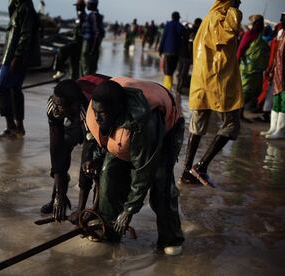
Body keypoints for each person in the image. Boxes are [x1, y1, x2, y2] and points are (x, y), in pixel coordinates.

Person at [83, 78, 185, 255]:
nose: (97, 117)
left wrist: (128, 211)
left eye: (102, 114)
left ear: (116, 110)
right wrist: (94, 159)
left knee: (161, 185)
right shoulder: (98, 109)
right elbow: (97, 140)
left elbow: (143, 171)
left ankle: (171, 237)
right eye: (95, 112)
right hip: (123, 133)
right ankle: (109, 228)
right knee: (108, 174)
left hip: (166, 132)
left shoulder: (144, 123)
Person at [179, 0, 243, 187]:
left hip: (202, 82)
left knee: (197, 126)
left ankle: (186, 171)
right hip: (217, 82)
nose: (239, 2)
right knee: (231, 125)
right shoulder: (220, 18)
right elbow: (230, 32)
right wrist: (234, 11)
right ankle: (201, 167)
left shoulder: (208, 18)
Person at [41, 75, 111, 221]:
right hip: (77, 111)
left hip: (101, 111)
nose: (55, 109)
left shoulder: (89, 112)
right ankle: (57, 196)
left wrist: (80, 211)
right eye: (54, 102)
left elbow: (88, 154)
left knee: (90, 164)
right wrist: (59, 194)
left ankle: (83, 207)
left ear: (72, 105)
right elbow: (56, 148)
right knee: (62, 147)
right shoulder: (53, 105)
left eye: (59, 106)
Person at [0, 0, 40, 140]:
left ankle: (11, 127)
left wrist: (18, 56)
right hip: (14, 56)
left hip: (14, 57)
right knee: (14, 89)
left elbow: (26, 34)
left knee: (0, 87)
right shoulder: (19, 7)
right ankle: (19, 127)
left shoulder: (25, 8)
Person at [237, 15, 269, 115]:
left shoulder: (253, 34)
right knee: (246, 91)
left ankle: (240, 113)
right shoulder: (255, 35)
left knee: (247, 91)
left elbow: (241, 49)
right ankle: (239, 113)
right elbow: (241, 49)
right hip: (251, 70)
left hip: (251, 69)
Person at [262, 14, 285, 139]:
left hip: (283, 74)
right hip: (278, 73)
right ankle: (273, 129)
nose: (281, 21)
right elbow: (276, 55)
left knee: (283, 102)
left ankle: (280, 130)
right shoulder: (281, 34)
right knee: (276, 101)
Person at [52, 0, 86, 80]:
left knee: (62, 50)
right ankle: (74, 80)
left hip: (78, 43)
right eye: (76, 6)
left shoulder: (83, 16)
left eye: (78, 6)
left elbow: (81, 32)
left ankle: (60, 71)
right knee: (74, 64)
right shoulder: (79, 16)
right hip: (76, 42)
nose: (76, 8)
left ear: (82, 7)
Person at [159, 11, 185, 91]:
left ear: (172, 17)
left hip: (168, 51)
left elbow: (163, 37)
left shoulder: (168, 25)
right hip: (177, 52)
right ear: (178, 18)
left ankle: (167, 88)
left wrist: (160, 49)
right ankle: (169, 87)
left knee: (167, 71)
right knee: (172, 69)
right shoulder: (180, 26)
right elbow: (183, 34)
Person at [176, 18, 202, 94]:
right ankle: (179, 90)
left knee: (181, 72)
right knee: (184, 73)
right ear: (199, 24)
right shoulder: (196, 32)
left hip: (182, 54)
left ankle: (178, 89)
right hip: (188, 56)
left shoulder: (187, 30)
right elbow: (191, 45)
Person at [81, 0, 105, 75]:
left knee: (87, 62)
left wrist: (93, 48)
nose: (86, 5)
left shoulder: (93, 16)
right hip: (91, 43)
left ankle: (85, 78)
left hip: (89, 43)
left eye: (88, 4)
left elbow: (97, 32)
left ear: (92, 5)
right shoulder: (93, 15)